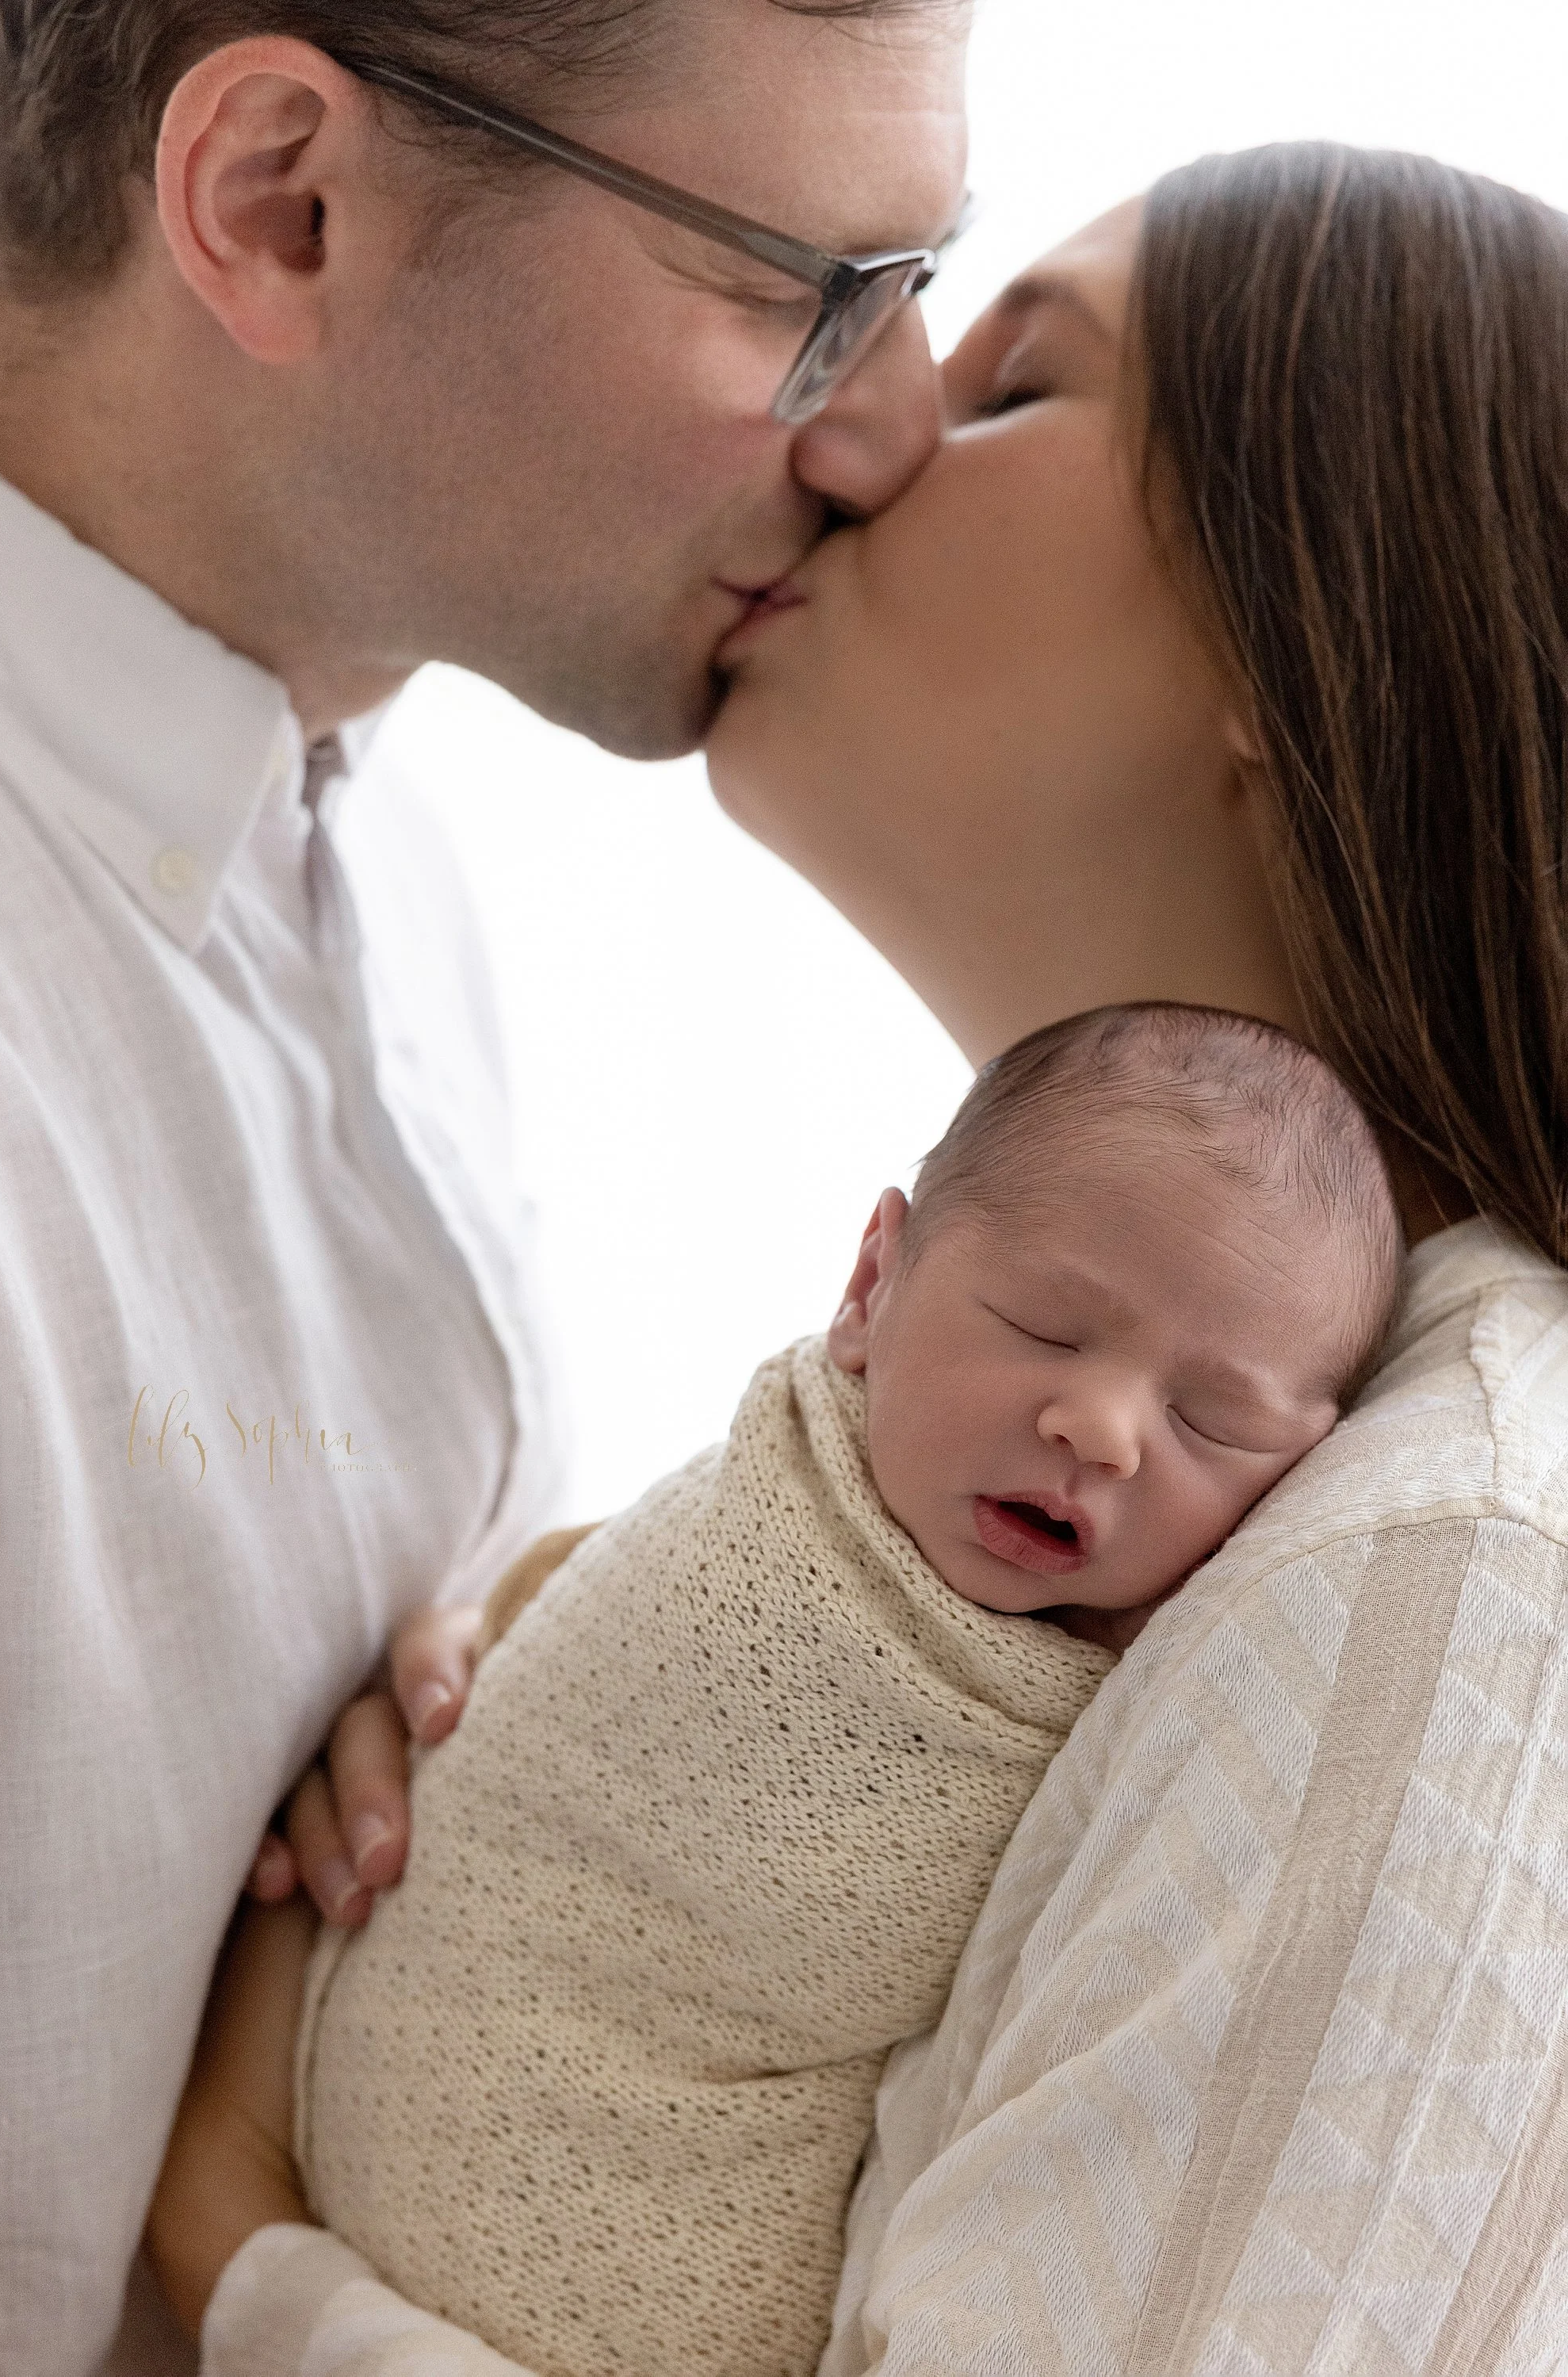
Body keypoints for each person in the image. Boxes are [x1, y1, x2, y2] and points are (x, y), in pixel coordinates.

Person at [157, 143, 1568, 2371]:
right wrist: (509, 1733)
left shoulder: (1460, 1565)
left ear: (1326, 626)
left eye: (1022, 387)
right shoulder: (1265, 1521)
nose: (866, 424)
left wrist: (245, 2240)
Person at [0, 0, 971, 2365]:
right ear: (277, 206)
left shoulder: (383, 874)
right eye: (804, 287)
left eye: (935, 275)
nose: (906, 422)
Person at [288, 1005, 1399, 2377]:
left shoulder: (1250, 1668)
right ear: (872, 1283)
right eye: (1044, 1327)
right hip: (450, 2111)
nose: (1101, 1429)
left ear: (1308, 1476)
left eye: (1207, 1422)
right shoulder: (770, 1522)